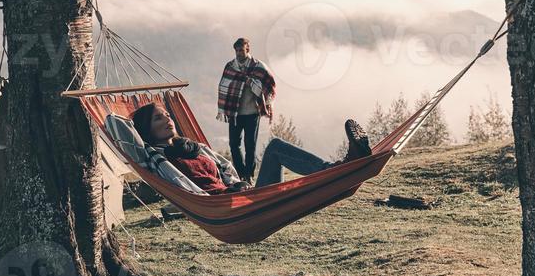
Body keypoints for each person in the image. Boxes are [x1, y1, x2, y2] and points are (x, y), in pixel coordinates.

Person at [131, 102, 371, 195]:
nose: (168, 120)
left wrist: (236, 184)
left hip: (243, 196)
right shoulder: (158, 158)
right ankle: (338, 169)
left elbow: (224, 169)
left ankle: (341, 169)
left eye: (167, 115)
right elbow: (188, 187)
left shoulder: (194, 148)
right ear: (147, 130)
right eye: (157, 119)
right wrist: (226, 194)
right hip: (227, 207)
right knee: (275, 148)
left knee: (275, 146)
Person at [217, 37, 276, 184]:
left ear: (247, 49)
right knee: (233, 145)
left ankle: (249, 175)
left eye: (241, 50)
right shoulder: (230, 66)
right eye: (236, 51)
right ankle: (241, 173)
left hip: (252, 113)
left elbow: (270, 85)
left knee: (250, 146)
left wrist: (253, 83)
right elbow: (223, 86)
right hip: (235, 114)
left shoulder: (258, 67)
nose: (238, 53)